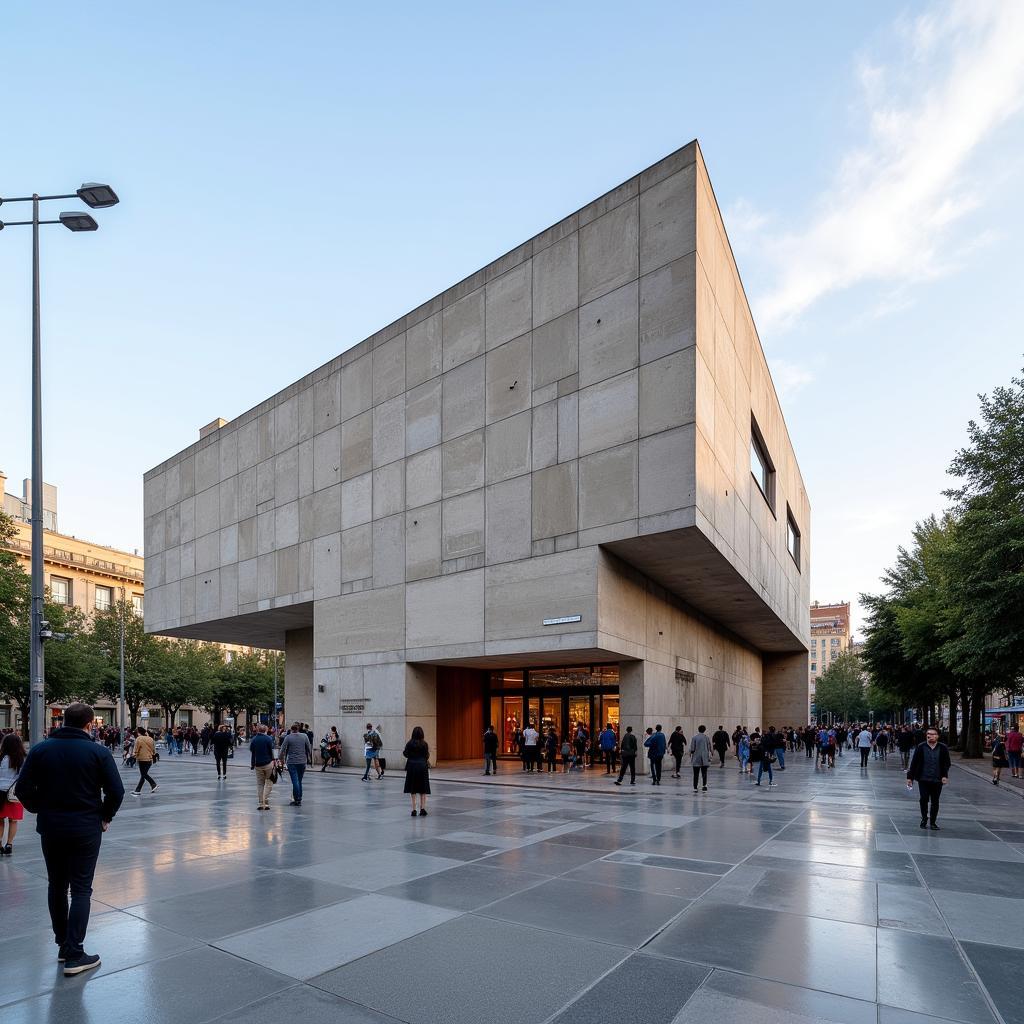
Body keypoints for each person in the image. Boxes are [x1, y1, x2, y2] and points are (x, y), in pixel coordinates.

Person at [14, 702, 124, 976]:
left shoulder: (40, 750)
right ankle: (75, 952)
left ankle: (63, 945)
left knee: (56, 885)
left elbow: (23, 789)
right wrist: (105, 815)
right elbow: (116, 791)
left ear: (63, 721)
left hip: (51, 827)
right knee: (82, 889)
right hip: (86, 826)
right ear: (89, 725)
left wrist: (41, 808)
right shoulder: (98, 752)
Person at [907, 726, 950, 830]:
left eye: (933, 734)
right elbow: (914, 763)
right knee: (924, 799)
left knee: (935, 801)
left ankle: (933, 822)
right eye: (928, 734)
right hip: (923, 778)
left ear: (938, 736)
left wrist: (944, 776)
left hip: (937, 779)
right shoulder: (921, 747)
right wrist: (910, 778)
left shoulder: (943, 748)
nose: (930, 736)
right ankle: (924, 818)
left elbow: (946, 763)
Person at [0, 732, 27, 855]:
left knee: (0, 820)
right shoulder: (21, 759)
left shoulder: (1, 758)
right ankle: (9, 844)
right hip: (14, 794)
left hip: (0, 792)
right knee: (13, 820)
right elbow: (23, 777)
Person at [279, 722, 312, 806]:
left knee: (295, 781)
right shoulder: (304, 736)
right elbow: (309, 748)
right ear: (298, 729)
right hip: (302, 761)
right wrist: (309, 758)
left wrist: (280, 759)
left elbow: (282, 749)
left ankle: (297, 799)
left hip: (292, 762)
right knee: (299, 781)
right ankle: (299, 798)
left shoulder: (288, 737)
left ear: (291, 729)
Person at [403, 726, 431, 816]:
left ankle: (414, 809)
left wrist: (412, 756)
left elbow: (405, 753)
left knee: (413, 788)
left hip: (411, 766)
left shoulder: (409, 743)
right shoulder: (424, 744)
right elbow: (427, 755)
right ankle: (422, 809)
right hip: (422, 766)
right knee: (423, 788)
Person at [250, 724, 277, 809]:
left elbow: (252, 751)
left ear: (258, 730)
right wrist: (273, 760)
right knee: (269, 782)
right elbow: (271, 750)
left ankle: (261, 803)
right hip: (268, 763)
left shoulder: (254, 739)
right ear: (265, 730)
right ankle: (265, 800)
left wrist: (252, 764)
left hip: (258, 764)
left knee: (260, 784)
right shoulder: (268, 738)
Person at [131, 727, 158, 795]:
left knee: (143, 774)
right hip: (149, 759)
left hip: (142, 759)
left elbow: (136, 749)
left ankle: (153, 784)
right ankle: (138, 790)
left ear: (139, 732)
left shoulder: (139, 739)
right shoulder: (150, 739)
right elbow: (154, 750)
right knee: (143, 775)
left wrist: (134, 755)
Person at [689, 725, 712, 792]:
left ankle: (695, 787)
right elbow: (709, 747)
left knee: (696, 774)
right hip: (704, 758)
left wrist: (690, 753)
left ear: (698, 729)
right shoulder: (707, 738)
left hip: (696, 758)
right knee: (704, 773)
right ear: (704, 730)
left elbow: (692, 749)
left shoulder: (694, 738)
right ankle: (704, 785)